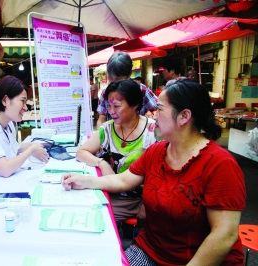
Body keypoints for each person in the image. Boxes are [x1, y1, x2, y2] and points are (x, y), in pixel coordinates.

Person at [62, 79, 246, 265]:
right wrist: (83, 181)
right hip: (150, 251)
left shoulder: (220, 165)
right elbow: (123, 181)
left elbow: (224, 235)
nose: (153, 115)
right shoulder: (157, 151)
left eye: (160, 109)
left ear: (184, 116)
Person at [76, 79, 158, 222]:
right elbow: (81, 152)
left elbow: (160, 175)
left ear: (135, 105)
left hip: (134, 198)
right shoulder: (107, 129)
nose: (111, 111)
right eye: (109, 105)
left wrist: (146, 204)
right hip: (108, 189)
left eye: (117, 106)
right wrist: (102, 163)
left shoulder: (153, 132)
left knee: (93, 215)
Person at [96, 52, 157, 127]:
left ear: (129, 74)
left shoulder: (141, 90)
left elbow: (157, 109)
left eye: (118, 79)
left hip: (138, 135)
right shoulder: (105, 93)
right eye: (111, 77)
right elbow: (101, 119)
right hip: (113, 136)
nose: (114, 82)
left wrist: (151, 118)